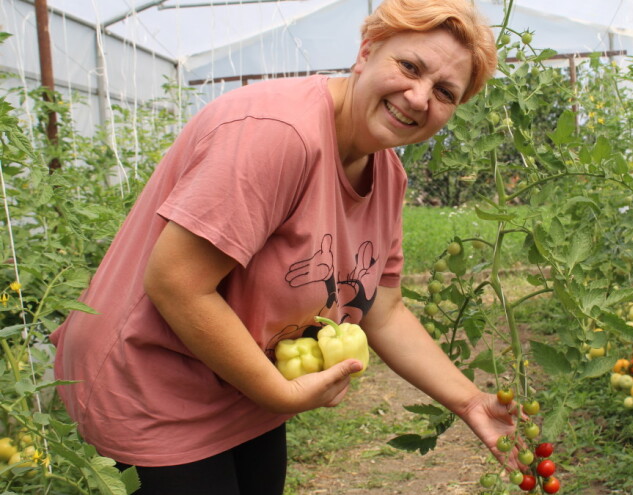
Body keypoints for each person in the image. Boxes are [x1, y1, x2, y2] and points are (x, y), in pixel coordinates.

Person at [49, 0, 514, 493]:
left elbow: (382, 308)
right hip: (153, 384)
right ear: (366, 51)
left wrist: (469, 401)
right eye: (409, 66)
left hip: (238, 381)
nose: (419, 98)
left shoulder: (387, 174)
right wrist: (280, 392)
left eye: (445, 92)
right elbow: (177, 284)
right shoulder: (278, 135)